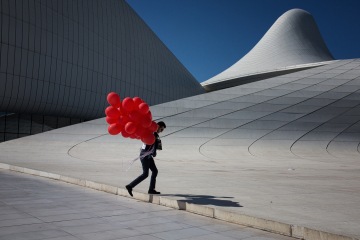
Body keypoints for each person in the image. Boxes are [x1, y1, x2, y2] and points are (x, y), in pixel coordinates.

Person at [126, 121, 166, 197]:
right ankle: (130, 186)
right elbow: (153, 147)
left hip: (148, 156)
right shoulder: (153, 134)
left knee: (155, 171)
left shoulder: (152, 133)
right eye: (161, 129)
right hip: (145, 156)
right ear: (158, 126)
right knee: (145, 174)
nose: (162, 131)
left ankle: (151, 189)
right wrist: (154, 152)